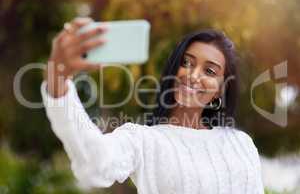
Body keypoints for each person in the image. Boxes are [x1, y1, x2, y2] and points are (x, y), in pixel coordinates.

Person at [41, 17, 264, 194]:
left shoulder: (241, 143)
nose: (193, 75)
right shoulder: (144, 141)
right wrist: (57, 80)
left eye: (209, 71)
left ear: (220, 89)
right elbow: (95, 164)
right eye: (186, 62)